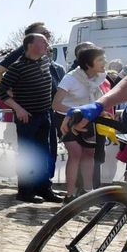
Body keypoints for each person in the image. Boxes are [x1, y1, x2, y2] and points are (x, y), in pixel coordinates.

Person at [0, 33, 61, 203]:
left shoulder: (45, 61)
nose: (47, 44)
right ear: (31, 45)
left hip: (45, 114)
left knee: (43, 153)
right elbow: (1, 91)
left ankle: (44, 188)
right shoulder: (17, 67)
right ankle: (25, 192)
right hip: (27, 118)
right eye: (43, 42)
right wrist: (18, 109)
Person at [53, 45, 107, 198]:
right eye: (100, 59)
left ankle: (87, 193)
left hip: (88, 118)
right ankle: (70, 194)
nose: (105, 62)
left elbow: (99, 99)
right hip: (65, 119)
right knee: (76, 153)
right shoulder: (70, 78)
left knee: (89, 153)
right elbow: (55, 104)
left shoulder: (100, 76)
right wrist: (75, 114)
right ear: (88, 64)